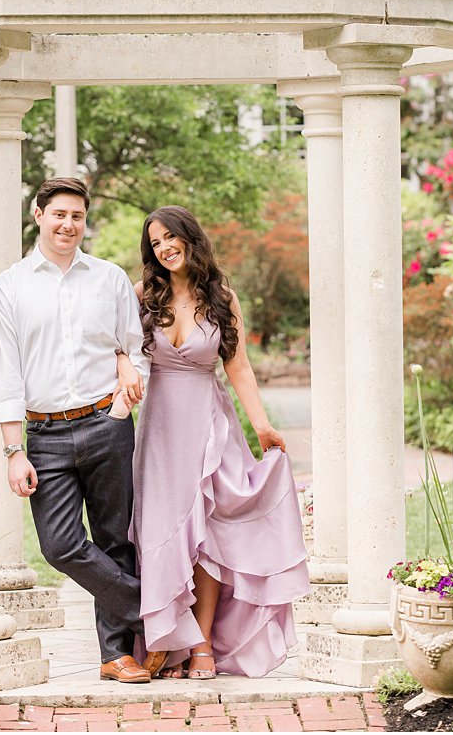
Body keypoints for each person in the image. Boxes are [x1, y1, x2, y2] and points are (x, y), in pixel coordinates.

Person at [129, 205, 310, 679]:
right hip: (160, 429)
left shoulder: (221, 297)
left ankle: (203, 643)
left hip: (210, 423)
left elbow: (239, 367)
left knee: (207, 535)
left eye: (171, 236)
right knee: (161, 531)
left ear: (190, 238)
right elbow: (116, 352)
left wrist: (262, 425)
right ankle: (170, 643)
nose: (165, 246)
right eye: (156, 241)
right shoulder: (142, 296)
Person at [0, 176, 160, 684]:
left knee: (115, 540)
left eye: (78, 216)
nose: (69, 224)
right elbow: (8, 370)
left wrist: (120, 398)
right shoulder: (12, 285)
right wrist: (13, 449)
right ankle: (157, 618)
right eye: (60, 214)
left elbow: (136, 350)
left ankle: (116, 655)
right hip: (44, 437)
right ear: (38, 214)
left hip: (106, 424)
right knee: (60, 546)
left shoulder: (109, 278)